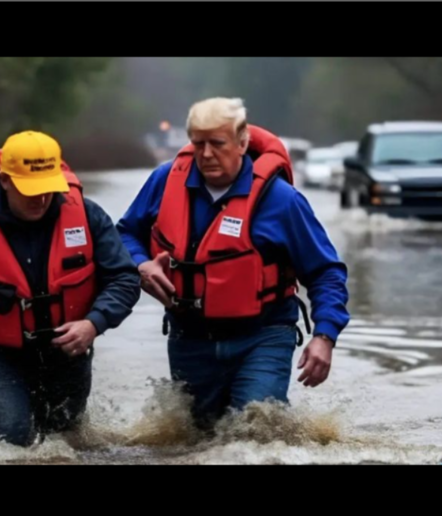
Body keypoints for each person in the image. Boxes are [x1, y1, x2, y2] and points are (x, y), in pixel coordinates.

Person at [116, 97, 349, 430]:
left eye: (217, 143)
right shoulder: (165, 181)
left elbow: (326, 272)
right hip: (190, 338)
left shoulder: (282, 200)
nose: (207, 153)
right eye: (198, 143)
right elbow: (124, 234)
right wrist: (140, 264)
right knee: (197, 440)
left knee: (255, 432)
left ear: (242, 143)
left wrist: (324, 336)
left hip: (264, 335)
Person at [0, 130, 140, 446]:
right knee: (10, 439)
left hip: (67, 353)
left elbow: (124, 278)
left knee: (64, 443)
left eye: (48, 189)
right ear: (4, 180)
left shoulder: (87, 215)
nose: (40, 199)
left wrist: (93, 324)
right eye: (29, 190)